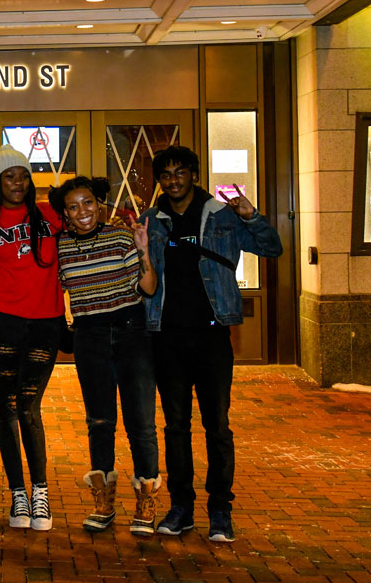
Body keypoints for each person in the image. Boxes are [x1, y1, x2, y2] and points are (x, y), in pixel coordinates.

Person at [139, 146, 282, 543]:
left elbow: (271, 248)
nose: (173, 180)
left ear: (195, 174)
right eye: (166, 174)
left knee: (217, 426)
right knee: (176, 427)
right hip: (166, 336)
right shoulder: (151, 220)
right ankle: (180, 507)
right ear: (160, 180)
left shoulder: (221, 214)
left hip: (212, 334)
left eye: (180, 172)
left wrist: (251, 216)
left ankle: (220, 509)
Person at [48, 176, 161, 535]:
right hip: (89, 336)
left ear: (99, 204)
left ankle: (146, 500)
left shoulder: (120, 237)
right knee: (99, 422)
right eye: (73, 206)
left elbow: (149, 288)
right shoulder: (60, 247)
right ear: (65, 213)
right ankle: (104, 501)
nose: (82, 212)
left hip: (132, 333)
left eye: (88, 203)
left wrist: (142, 248)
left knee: (140, 422)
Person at [0, 146, 64, 531]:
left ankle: (39, 491)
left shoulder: (50, 215)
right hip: (4, 325)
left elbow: (90, 218)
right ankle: (18, 495)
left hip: (45, 324)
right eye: (9, 176)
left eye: (23, 175)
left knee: (29, 407)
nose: (17, 183)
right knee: (7, 408)